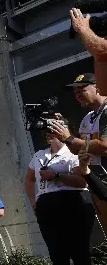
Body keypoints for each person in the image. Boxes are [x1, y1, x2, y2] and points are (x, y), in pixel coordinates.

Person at [25, 123, 103, 265]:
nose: (49, 135)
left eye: (53, 132)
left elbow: (82, 181)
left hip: (73, 201)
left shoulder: (73, 153)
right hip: (47, 206)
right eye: (47, 133)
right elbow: (28, 180)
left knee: (80, 252)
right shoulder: (38, 155)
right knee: (57, 255)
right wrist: (34, 202)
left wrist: (56, 175)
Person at [48, 73, 107, 229]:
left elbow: (104, 146)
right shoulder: (88, 118)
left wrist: (69, 138)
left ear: (98, 87)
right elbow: (76, 150)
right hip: (97, 185)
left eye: (82, 89)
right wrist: (63, 129)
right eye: (75, 92)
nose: (78, 94)